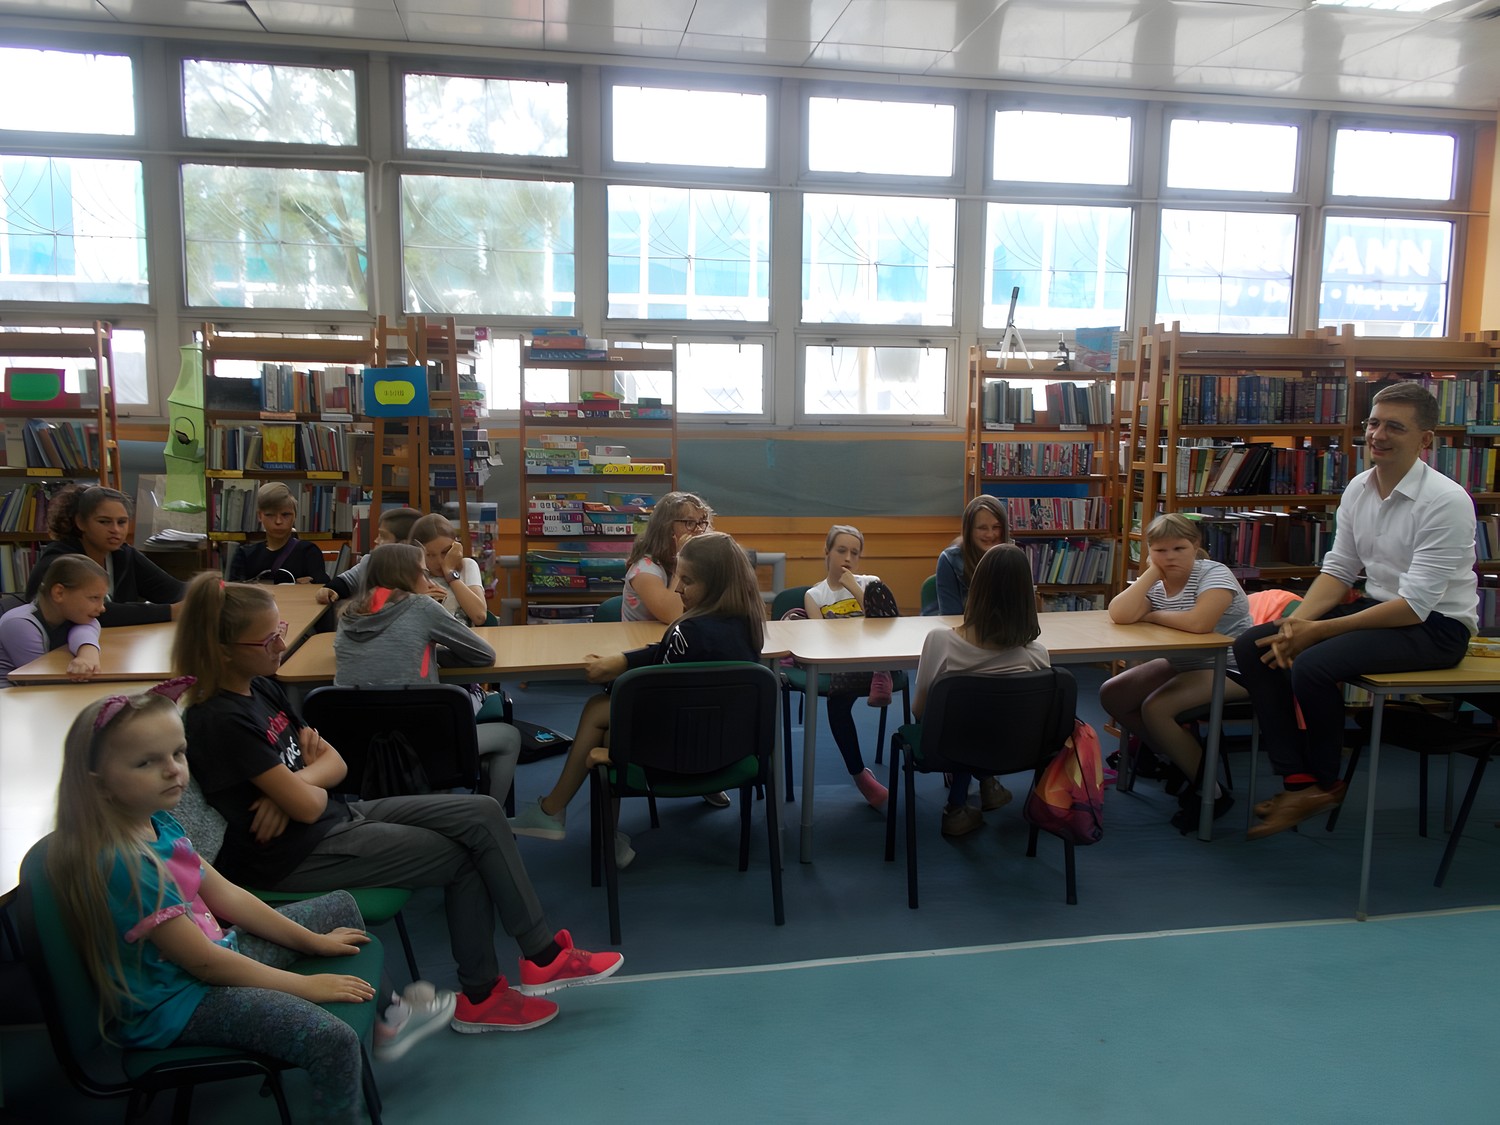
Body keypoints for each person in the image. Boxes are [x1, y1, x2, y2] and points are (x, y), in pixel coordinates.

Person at [171, 574, 624, 1036]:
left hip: (331, 818)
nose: (283, 645)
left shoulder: (261, 686)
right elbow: (307, 805)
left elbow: (335, 763)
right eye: (269, 639)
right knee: (463, 857)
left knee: (484, 813)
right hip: (294, 855)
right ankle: (484, 994)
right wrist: (298, 791)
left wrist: (290, 786)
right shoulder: (219, 720)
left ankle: (542, 957)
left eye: (280, 630)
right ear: (224, 650)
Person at [44, 680, 379, 1123]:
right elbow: (204, 964)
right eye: (147, 762)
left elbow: (229, 896)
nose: (173, 771)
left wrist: (312, 942)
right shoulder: (126, 865)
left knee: (341, 907)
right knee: (333, 1040)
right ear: (100, 785)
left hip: (213, 957)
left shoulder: (159, 821)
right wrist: (307, 986)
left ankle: (369, 1029)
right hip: (181, 1003)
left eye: (178, 754)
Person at [1233, 381, 1479, 840]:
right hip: (1380, 609)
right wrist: (1298, 621)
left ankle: (1325, 783)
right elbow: (1339, 570)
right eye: (1373, 423)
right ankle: (1298, 782)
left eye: (1395, 427)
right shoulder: (1359, 488)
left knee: (1313, 664)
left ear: (1425, 439)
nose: (1378, 435)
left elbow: (1415, 606)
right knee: (1255, 645)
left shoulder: (1446, 501)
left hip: (1435, 627)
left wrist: (1318, 633)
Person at [509, 532, 765, 867]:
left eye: (687, 580)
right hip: (728, 754)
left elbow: (655, 705)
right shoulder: (748, 628)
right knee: (607, 713)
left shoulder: (686, 632)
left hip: (670, 758)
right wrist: (625, 660)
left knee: (600, 713)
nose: (677, 589)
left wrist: (615, 731)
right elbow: (666, 657)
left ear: (714, 584)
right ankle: (562, 816)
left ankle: (558, 813)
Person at [333, 543, 521, 806]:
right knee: (509, 737)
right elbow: (484, 655)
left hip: (358, 751)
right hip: (421, 748)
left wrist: (424, 651)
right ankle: (491, 816)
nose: (429, 580)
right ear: (407, 578)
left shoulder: (347, 617)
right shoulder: (421, 607)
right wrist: (434, 651)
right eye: (423, 573)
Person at [1101, 513, 1252, 833]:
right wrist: (1150, 574)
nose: (1170, 557)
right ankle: (1178, 758)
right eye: (1160, 550)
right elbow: (1120, 614)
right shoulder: (1157, 582)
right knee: (1113, 694)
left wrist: (1153, 616)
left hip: (1232, 667)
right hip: (1185, 664)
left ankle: (1210, 790)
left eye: (1179, 549)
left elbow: (1199, 623)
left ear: (1196, 546)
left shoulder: (1214, 573)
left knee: (1156, 708)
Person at [913, 543, 1051, 836]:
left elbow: (920, 711)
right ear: (1027, 597)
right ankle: (988, 786)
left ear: (976, 589)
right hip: (1015, 751)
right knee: (988, 721)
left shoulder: (940, 642)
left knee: (963, 723)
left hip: (947, 750)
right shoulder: (1037, 656)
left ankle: (958, 807)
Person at [803, 524, 901, 809]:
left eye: (854, 553)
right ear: (827, 552)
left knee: (880, 644)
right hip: (843, 663)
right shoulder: (815, 595)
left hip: (878, 654)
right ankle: (860, 776)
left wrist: (855, 588)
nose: (848, 558)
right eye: (841, 550)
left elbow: (885, 624)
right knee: (836, 704)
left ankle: (881, 673)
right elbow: (820, 637)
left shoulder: (871, 582)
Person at [24, 484, 184, 626]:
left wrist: (195, 596)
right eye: (104, 521)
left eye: (122, 522)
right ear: (80, 522)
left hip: (114, 641)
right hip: (59, 646)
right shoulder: (62, 560)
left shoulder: (124, 555)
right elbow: (93, 613)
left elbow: (174, 590)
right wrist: (170, 611)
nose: (115, 530)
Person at [0, 554, 107, 683]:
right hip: (9, 692)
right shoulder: (19, 624)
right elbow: (43, 680)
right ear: (59, 593)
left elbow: (89, 625)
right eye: (94, 598)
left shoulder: (70, 615)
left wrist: (87, 653)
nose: (102, 608)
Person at [620, 491, 713, 624]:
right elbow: (672, 615)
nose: (699, 530)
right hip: (644, 635)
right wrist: (682, 559)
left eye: (702, 522)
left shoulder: (698, 563)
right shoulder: (644, 569)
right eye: (690, 522)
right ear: (667, 527)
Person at [317, 506, 424, 607]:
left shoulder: (423, 572)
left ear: (404, 544)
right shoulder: (371, 562)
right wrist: (330, 589)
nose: (376, 540)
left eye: (383, 536)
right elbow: (347, 581)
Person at [227, 481, 329, 584]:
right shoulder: (244, 555)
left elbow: (322, 588)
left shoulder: (309, 552)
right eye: (270, 515)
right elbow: (235, 591)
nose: (278, 521)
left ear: (295, 515)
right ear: (260, 516)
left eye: (285, 515)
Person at [933, 495, 1011, 615]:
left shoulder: (1013, 559)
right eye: (982, 528)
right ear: (969, 531)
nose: (990, 534)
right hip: (962, 626)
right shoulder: (949, 560)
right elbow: (952, 618)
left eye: (996, 527)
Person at [409, 513, 490, 626]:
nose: (440, 561)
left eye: (445, 552)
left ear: (456, 547)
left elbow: (479, 616)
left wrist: (450, 573)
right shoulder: (415, 575)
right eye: (430, 555)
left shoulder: (467, 566)